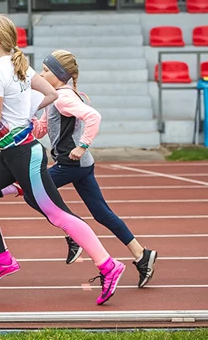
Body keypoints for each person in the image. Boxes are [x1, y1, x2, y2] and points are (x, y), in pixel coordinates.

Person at [0, 14, 127, 305]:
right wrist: (26, 116)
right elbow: (48, 93)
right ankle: (4, 259)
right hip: (13, 154)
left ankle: (109, 265)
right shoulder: (19, 65)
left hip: (25, 155)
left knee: (58, 214)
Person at [27, 49, 158, 288]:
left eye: (46, 70)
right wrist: (27, 121)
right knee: (101, 213)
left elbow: (93, 116)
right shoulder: (55, 96)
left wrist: (83, 146)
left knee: (32, 192)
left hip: (72, 164)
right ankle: (142, 254)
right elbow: (42, 130)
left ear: (58, 74)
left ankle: (74, 233)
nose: (41, 73)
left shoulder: (64, 98)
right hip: (81, 166)